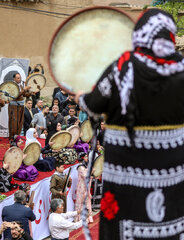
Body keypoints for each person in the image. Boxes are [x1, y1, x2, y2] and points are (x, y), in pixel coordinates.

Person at [75, 9, 184, 239]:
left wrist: (80, 97)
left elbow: (93, 105)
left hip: (125, 177)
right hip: (172, 175)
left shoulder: (123, 68)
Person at [8, 73, 31, 140]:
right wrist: (24, 90)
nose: (19, 79)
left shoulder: (20, 85)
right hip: (14, 106)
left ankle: (17, 137)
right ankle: (12, 138)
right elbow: (15, 96)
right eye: (18, 78)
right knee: (14, 122)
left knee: (20, 122)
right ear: (14, 79)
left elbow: (24, 95)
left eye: (20, 78)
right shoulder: (11, 86)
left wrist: (30, 92)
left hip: (20, 106)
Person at [74, 152, 93, 223]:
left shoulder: (85, 166)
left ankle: (88, 218)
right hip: (81, 186)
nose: (87, 158)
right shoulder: (80, 167)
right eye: (85, 157)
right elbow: (86, 176)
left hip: (86, 186)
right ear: (82, 158)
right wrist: (91, 172)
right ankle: (79, 219)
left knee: (87, 201)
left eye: (87, 156)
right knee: (80, 202)